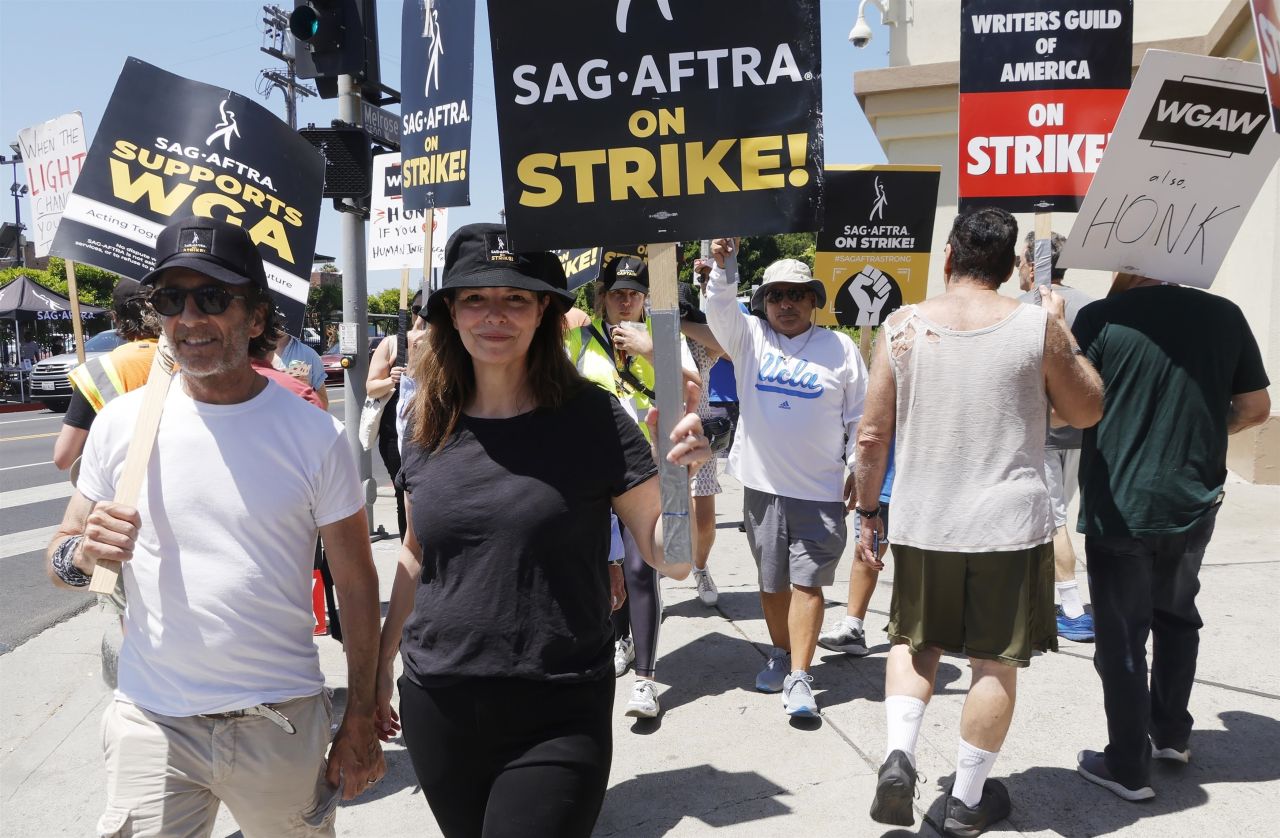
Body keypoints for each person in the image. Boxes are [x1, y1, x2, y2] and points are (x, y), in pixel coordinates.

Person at [44, 215, 385, 837]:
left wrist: (360, 715)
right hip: (152, 722)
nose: (189, 317)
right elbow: (63, 554)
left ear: (255, 317)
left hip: (277, 721)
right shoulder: (121, 423)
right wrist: (84, 555)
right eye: (171, 299)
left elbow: (357, 587)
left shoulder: (314, 435)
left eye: (213, 297)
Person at [373, 223, 705, 838]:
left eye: (515, 298)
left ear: (544, 312)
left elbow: (674, 559)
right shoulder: (426, 418)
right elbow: (418, 554)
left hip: (557, 704)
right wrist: (378, 669)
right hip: (438, 700)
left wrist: (684, 477)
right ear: (450, 311)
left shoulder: (594, 418)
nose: (494, 315)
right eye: (475, 298)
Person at [854, 207, 1103, 836]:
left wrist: (867, 510)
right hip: (1006, 527)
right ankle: (966, 801)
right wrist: (1058, 331)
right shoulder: (1034, 327)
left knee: (917, 643)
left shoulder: (902, 325)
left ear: (948, 256)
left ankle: (899, 756)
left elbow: (871, 435)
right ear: (1005, 265)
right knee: (995, 663)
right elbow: (1086, 409)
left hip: (923, 520)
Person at [1072, 273, 1270, 802]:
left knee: (1121, 636)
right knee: (1178, 617)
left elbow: (1067, 408)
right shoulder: (1224, 314)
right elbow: (1254, 409)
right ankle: (1171, 735)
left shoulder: (1101, 319)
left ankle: (1127, 765)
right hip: (1194, 500)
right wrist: (1205, 428)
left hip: (1121, 505)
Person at [704, 240, 868, 719]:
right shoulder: (749, 337)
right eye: (776, 296)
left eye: (796, 295)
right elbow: (717, 305)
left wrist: (858, 464)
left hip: (820, 493)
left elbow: (860, 415)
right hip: (761, 488)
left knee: (807, 584)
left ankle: (800, 674)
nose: (786, 304)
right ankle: (780, 652)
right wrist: (725, 265)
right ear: (763, 303)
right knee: (772, 584)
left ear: (814, 300)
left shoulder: (840, 347)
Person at [565, 254, 697, 719]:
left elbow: (693, 391)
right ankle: (619, 638)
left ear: (645, 300)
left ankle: (646, 678)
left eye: (634, 294)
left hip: (647, 476)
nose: (625, 302)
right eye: (617, 294)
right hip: (594, 474)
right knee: (606, 569)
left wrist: (650, 350)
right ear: (601, 299)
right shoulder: (579, 341)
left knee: (643, 571)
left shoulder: (665, 338)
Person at [1017, 230, 1097, 642]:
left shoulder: (1022, 307)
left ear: (1033, 264)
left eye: (1020, 260)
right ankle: (1040, 596)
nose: (1017, 267)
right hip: (1081, 428)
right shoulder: (1095, 306)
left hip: (1041, 431)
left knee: (1053, 520)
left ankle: (1070, 606)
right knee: (1057, 511)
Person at [54, 279, 160, 472]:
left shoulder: (96, 372)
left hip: (122, 488)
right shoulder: (192, 363)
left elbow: (63, 457)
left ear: (116, 318)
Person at [678, 280, 728, 606]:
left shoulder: (697, 346)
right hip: (656, 437)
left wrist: (679, 322)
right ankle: (647, 579)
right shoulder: (644, 342)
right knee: (652, 517)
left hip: (699, 439)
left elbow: (727, 338)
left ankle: (699, 567)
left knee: (705, 520)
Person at [817, 446, 893, 657]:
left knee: (920, 560)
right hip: (881, 485)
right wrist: (859, 471)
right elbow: (867, 430)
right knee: (865, 553)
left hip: (929, 486)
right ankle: (852, 628)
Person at [367, 289, 424, 539]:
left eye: (429, 310)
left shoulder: (445, 343)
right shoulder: (392, 343)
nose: (422, 315)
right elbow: (371, 387)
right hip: (396, 434)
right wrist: (391, 379)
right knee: (404, 496)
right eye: (416, 310)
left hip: (434, 430)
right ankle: (409, 555)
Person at [275, 327, 329, 408]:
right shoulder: (252, 355)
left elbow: (324, 405)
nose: (279, 323)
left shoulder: (309, 354)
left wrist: (305, 388)